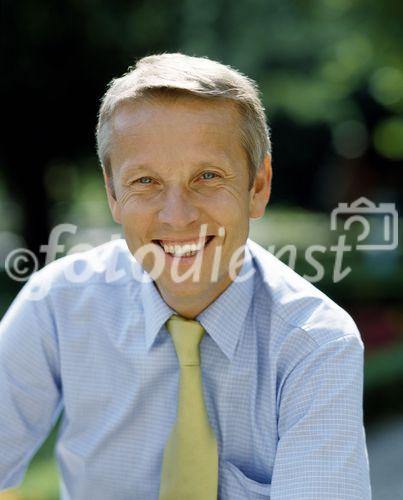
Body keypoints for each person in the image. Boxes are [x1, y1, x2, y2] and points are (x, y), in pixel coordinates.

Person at [0, 53, 371, 499]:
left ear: (258, 185)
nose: (178, 217)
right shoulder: (57, 305)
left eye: (208, 176)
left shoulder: (315, 344)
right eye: (145, 182)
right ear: (112, 193)